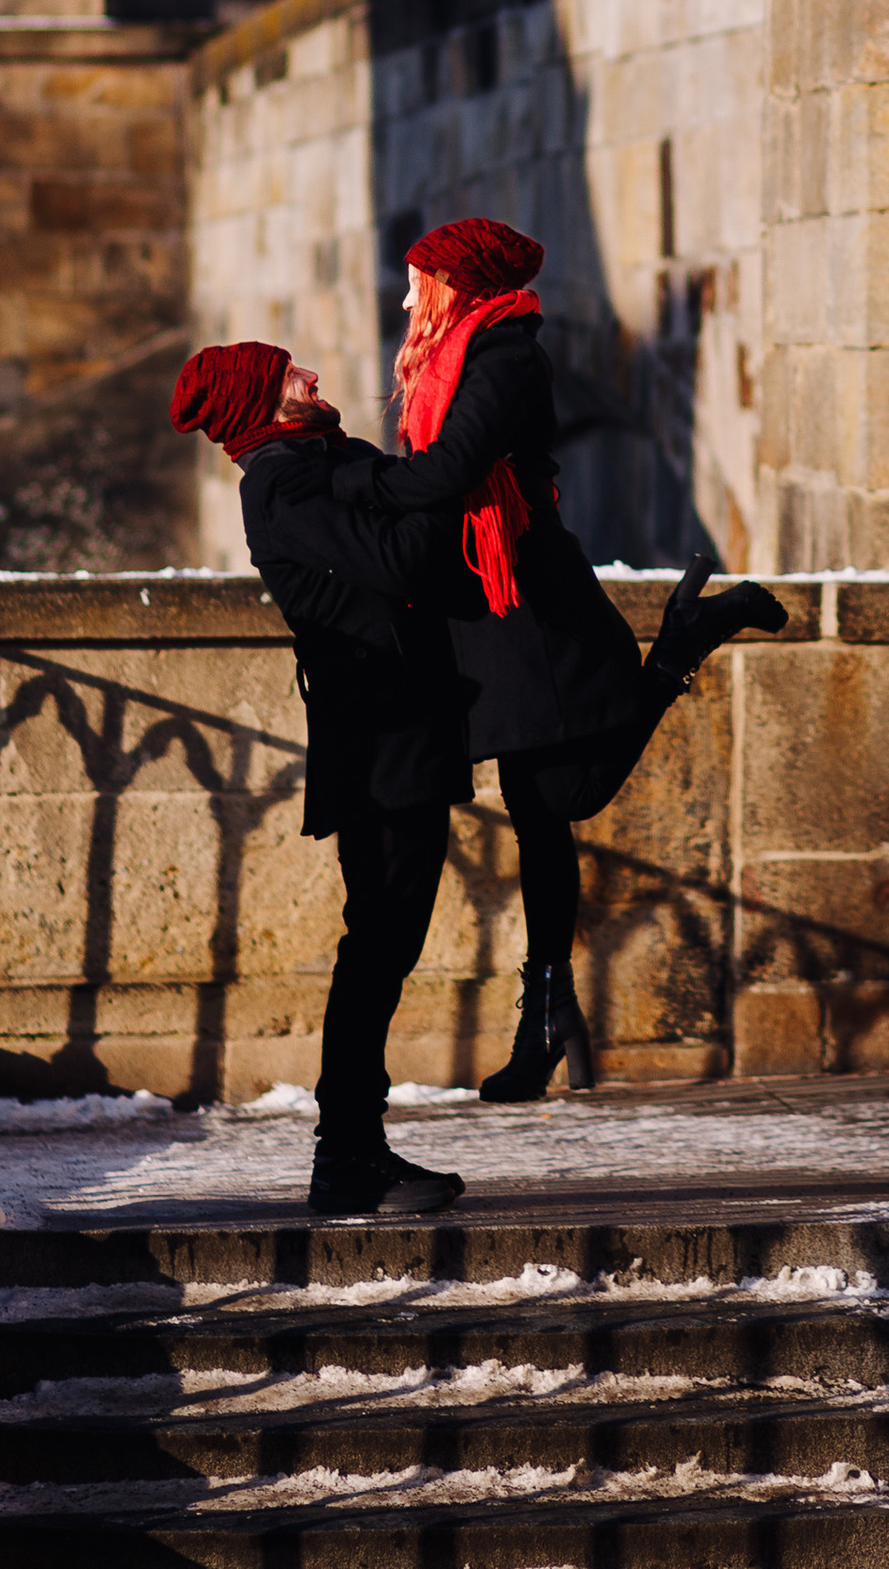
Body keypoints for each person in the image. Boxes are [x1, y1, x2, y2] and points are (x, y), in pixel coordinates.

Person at [361, 215, 787, 1104]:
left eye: (418, 282)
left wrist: (342, 483)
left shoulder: (505, 355)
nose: (405, 301)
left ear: (460, 286)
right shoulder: (459, 357)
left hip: (531, 600)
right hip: (490, 601)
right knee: (535, 811)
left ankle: (680, 646)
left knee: (564, 797)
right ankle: (549, 1017)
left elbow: (448, 472)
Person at [168, 338, 473, 1221]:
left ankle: (354, 1151)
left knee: (385, 943)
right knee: (377, 944)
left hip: (400, 730)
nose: (311, 377)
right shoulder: (281, 483)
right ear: (260, 402)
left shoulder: (321, 459)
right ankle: (345, 1158)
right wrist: (442, 483)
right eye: (288, 375)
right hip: (377, 742)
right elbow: (400, 562)